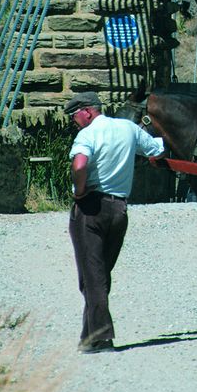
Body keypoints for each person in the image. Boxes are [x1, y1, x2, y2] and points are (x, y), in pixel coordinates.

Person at [65, 91, 164, 354]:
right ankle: (88, 337)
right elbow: (157, 148)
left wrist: (79, 190)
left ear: (87, 111)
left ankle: (102, 337)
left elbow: (79, 165)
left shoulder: (87, 135)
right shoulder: (128, 128)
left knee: (92, 276)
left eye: (74, 115)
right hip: (119, 209)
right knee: (98, 275)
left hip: (90, 207)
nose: (75, 121)